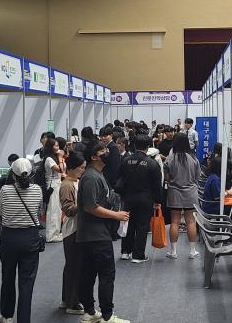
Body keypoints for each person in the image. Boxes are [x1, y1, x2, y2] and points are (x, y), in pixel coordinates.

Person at [77, 141, 131, 323]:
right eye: (102, 150)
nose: (107, 152)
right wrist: (116, 215)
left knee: (89, 273)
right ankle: (107, 316)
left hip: (94, 233)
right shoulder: (91, 178)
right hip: (96, 235)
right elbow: (90, 207)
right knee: (106, 274)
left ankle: (90, 312)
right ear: (94, 157)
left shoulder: (97, 175)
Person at [0, 158, 43, 323]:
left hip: (9, 237)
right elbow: (38, 211)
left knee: (7, 277)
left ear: (13, 175)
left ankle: (6, 315)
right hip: (30, 238)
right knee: (26, 282)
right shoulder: (38, 190)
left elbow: (1, 212)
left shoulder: (5, 190)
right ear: (31, 174)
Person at [117, 135, 163, 263]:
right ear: (148, 147)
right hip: (145, 198)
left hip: (128, 198)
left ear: (134, 146)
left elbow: (119, 178)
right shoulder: (152, 164)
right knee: (142, 225)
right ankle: (138, 255)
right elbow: (157, 185)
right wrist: (158, 201)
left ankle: (125, 252)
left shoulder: (125, 161)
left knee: (128, 223)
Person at [163, 133, 202, 259]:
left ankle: (173, 252)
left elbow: (167, 178)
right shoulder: (193, 158)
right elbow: (198, 177)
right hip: (191, 193)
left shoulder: (170, 159)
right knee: (191, 221)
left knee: (174, 222)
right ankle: (192, 251)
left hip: (174, 193)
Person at [60, 152, 87, 315]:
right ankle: (73, 303)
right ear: (72, 168)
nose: (83, 171)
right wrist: (84, 202)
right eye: (81, 168)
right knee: (75, 267)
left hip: (75, 228)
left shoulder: (74, 182)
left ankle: (67, 299)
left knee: (72, 266)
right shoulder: (67, 185)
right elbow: (68, 210)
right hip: (72, 230)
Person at [44, 137, 66, 243]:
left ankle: (56, 233)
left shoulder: (55, 157)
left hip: (58, 185)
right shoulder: (49, 159)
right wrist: (61, 157)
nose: (58, 147)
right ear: (50, 147)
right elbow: (60, 169)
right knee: (53, 211)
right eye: (56, 145)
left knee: (58, 210)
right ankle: (51, 235)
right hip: (52, 186)